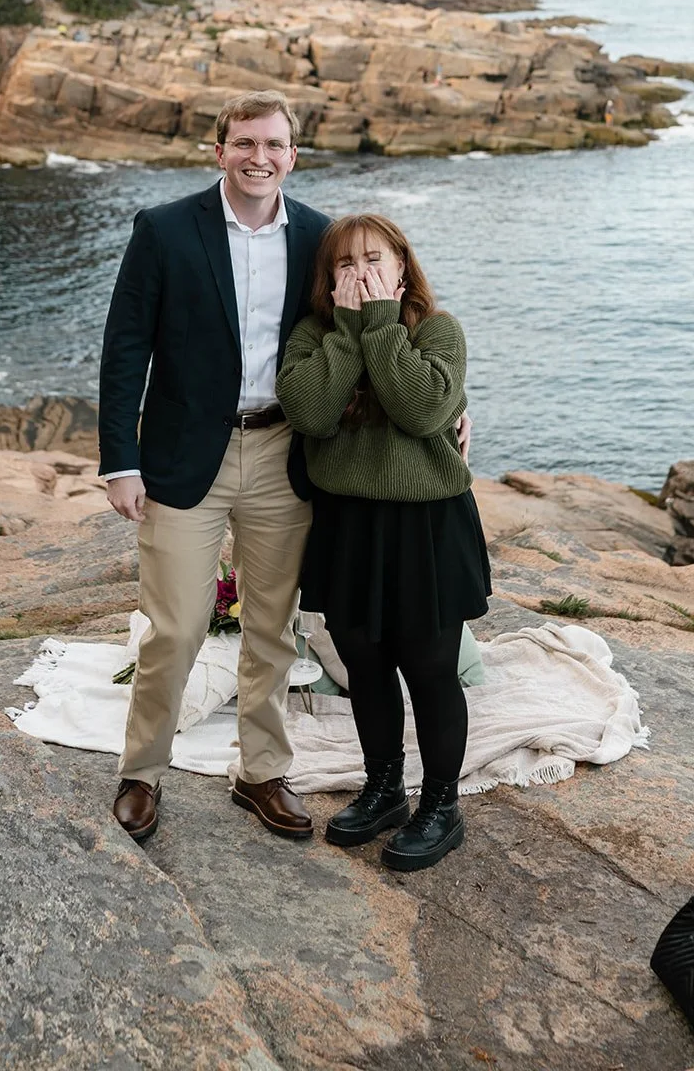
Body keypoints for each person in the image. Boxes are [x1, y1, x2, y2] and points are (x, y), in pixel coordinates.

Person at [98, 90, 331, 844]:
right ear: (219, 149)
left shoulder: (323, 238)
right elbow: (125, 348)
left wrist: (452, 401)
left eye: (273, 145)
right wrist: (118, 462)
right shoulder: (164, 230)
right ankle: (142, 772)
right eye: (243, 143)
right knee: (175, 626)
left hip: (282, 452)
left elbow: (377, 319)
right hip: (180, 456)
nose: (258, 157)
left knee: (273, 628)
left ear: (293, 154)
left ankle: (261, 773)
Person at [276, 214, 491, 872]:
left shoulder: (437, 331)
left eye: (374, 258)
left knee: (428, 672)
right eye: (344, 263)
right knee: (364, 666)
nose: (360, 271)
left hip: (424, 527)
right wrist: (349, 330)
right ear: (327, 277)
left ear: (402, 267)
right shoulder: (313, 335)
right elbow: (308, 412)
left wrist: (376, 323)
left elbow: (421, 408)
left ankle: (441, 806)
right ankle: (383, 788)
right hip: (347, 526)